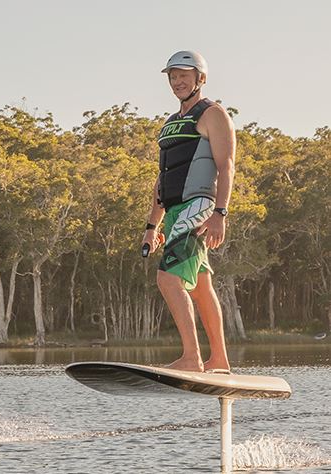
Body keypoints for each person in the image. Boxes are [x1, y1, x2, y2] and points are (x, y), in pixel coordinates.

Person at [142, 51, 235, 373]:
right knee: (199, 285)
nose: (177, 82)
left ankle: (192, 358)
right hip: (174, 208)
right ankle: (219, 359)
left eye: (184, 75)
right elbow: (162, 177)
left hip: (197, 206)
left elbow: (226, 165)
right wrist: (152, 224)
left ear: (200, 78)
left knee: (168, 279)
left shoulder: (213, 113)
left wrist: (220, 213)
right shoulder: (171, 123)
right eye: (173, 76)